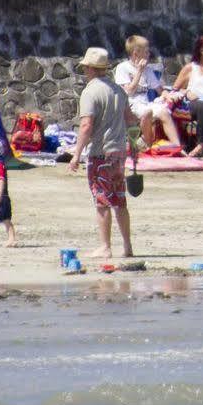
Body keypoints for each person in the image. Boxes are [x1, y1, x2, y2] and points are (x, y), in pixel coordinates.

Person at [72, 47, 136, 260]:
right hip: (119, 152)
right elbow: (129, 119)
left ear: (89, 68)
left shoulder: (91, 91)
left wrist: (76, 154)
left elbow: (86, 125)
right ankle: (127, 246)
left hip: (100, 152)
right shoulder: (118, 90)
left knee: (102, 201)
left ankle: (105, 247)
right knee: (119, 200)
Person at [116, 35, 181, 153]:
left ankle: (177, 146)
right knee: (148, 112)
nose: (149, 55)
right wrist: (139, 72)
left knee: (164, 112)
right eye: (146, 52)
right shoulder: (122, 68)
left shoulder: (148, 70)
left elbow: (160, 90)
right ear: (136, 54)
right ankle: (148, 146)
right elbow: (129, 92)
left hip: (145, 103)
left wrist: (168, 95)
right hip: (130, 104)